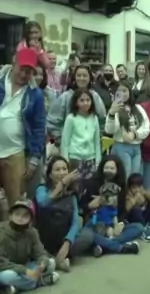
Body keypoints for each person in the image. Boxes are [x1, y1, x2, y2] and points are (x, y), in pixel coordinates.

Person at [0, 49, 45, 207]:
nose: (24, 74)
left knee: (16, 201)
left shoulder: (35, 94)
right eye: (22, 69)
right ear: (14, 64)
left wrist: (34, 159)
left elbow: (39, 127)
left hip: (16, 152)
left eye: (28, 71)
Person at [35, 156, 95, 269]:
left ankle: (56, 258)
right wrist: (61, 185)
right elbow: (43, 203)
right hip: (45, 236)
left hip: (63, 237)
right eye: (57, 170)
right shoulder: (42, 189)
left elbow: (75, 222)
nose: (62, 173)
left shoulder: (71, 194)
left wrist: (67, 243)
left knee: (88, 235)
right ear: (50, 174)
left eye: (64, 169)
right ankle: (57, 260)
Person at [81, 156, 144, 256]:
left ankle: (103, 246)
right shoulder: (93, 184)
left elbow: (122, 211)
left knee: (138, 227)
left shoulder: (121, 186)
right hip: (95, 223)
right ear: (102, 168)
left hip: (113, 223)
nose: (109, 171)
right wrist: (89, 205)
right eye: (106, 168)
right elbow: (80, 207)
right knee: (88, 235)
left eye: (112, 168)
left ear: (117, 170)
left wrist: (120, 224)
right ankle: (120, 248)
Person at [0, 199, 59, 294]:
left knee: (51, 263)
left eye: (25, 216)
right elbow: (2, 263)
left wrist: (41, 265)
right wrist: (26, 271)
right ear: (10, 216)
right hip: (7, 269)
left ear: (30, 220)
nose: (20, 218)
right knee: (7, 276)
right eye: (17, 214)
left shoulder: (32, 232)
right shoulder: (1, 232)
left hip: (26, 266)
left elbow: (40, 253)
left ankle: (17, 287)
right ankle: (40, 282)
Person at [46, 64, 106, 144]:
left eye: (85, 76)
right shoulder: (65, 97)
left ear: (90, 78)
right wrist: (61, 140)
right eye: (79, 75)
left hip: (90, 146)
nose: (82, 78)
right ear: (74, 78)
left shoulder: (95, 97)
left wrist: (96, 139)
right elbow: (52, 122)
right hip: (68, 146)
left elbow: (102, 121)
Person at [104, 81, 150, 177]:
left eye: (124, 91)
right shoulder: (115, 109)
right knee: (125, 175)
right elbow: (110, 130)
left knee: (135, 176)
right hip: (121, 146)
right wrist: (112, 113)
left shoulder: (138, 108)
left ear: (129, 92)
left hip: (136, 147)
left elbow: (146, 127)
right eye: (119, 91)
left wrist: (135, 134)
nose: (122, 93)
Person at [60, 88, 102, 186]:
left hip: (90, 159)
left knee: (89, 186)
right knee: (75, 186)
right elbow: (65, 142)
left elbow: (96, 141)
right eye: (82, 100)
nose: (85, 103)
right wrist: (65, 161)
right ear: (76, 102)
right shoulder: (71, 118)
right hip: (74, 158)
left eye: (88, 100)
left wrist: (98, 161)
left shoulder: (94, 118)